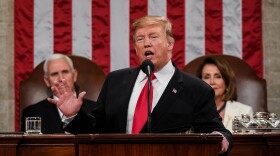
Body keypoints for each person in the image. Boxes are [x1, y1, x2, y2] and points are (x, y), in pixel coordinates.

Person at [48, 16, 232, 154]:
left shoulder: (196, 89)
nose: (146, 43)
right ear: (135, 47)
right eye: (140, 39)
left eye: (153, 37)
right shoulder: (115, 81)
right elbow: (97, 131)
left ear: (170, 43)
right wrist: (73, 115)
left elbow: (218, 132)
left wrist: (221, 141)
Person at [21, 54, 96, 134]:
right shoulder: (32, 113)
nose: (61, 78)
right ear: (47, 81)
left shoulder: (96, 109)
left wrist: (71, 116)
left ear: (74, 75)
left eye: (65, 72)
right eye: (54, 74)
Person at [196, 56, 254, 132]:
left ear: (227, 83)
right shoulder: (190, 112)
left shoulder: (244, 111)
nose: (212, 82)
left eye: (218, 77)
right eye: (207, 77)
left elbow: (249, 143)